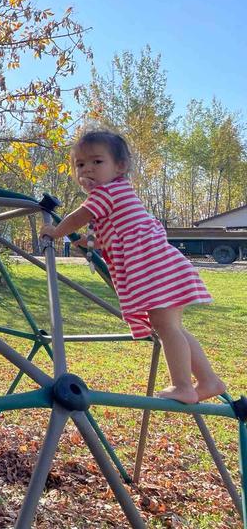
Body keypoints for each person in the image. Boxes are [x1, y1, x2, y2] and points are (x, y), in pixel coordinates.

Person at [40, 129, 225, 404]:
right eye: (80, 165)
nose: (87, 170)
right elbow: (105, 237)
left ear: (120, 166)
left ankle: (184, 386)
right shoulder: (117, 196)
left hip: (154, 268)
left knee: (167, 329)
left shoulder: (106, 193)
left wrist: (55, 231)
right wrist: (84, 242)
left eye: (96, 162)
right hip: (162, 266)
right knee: (173, 328)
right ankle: (208, 380)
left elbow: (80, 216)